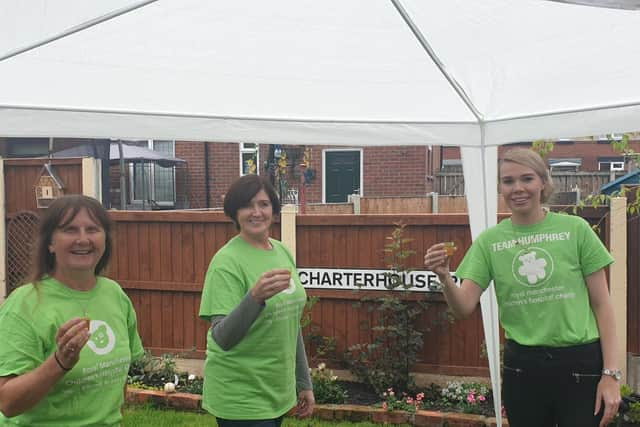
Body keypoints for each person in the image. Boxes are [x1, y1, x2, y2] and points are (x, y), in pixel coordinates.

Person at [424, 148, 621, 427]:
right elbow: (463, 307)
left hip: (580, 365)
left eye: (527, 179)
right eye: (508, 181)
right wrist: (445, 277)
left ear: (543, 182)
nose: (518, 188)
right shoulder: (489, 241)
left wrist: (611, 375)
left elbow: (603, 305)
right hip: (523, 367)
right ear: (501, 187)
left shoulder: (576, 230)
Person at [0, 195, 144, 426]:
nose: (83, 239)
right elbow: (7, 403)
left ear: (105, 238)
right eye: (70, 230)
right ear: (50, 243)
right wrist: (59, 363)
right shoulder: (24, 305)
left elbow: (117, 384)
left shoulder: (115, 295)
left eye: (93, 229)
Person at [199, 174, 315, 426]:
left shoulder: (282, 251)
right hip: (241, 395)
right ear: (234, 213)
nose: (256, 212)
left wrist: (303, 381)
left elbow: (290, 323)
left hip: (276, 391)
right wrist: (255, 298)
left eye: (263, 204)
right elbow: (222, 337)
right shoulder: (226, 262)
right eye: (247, 205)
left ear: (273, 210)